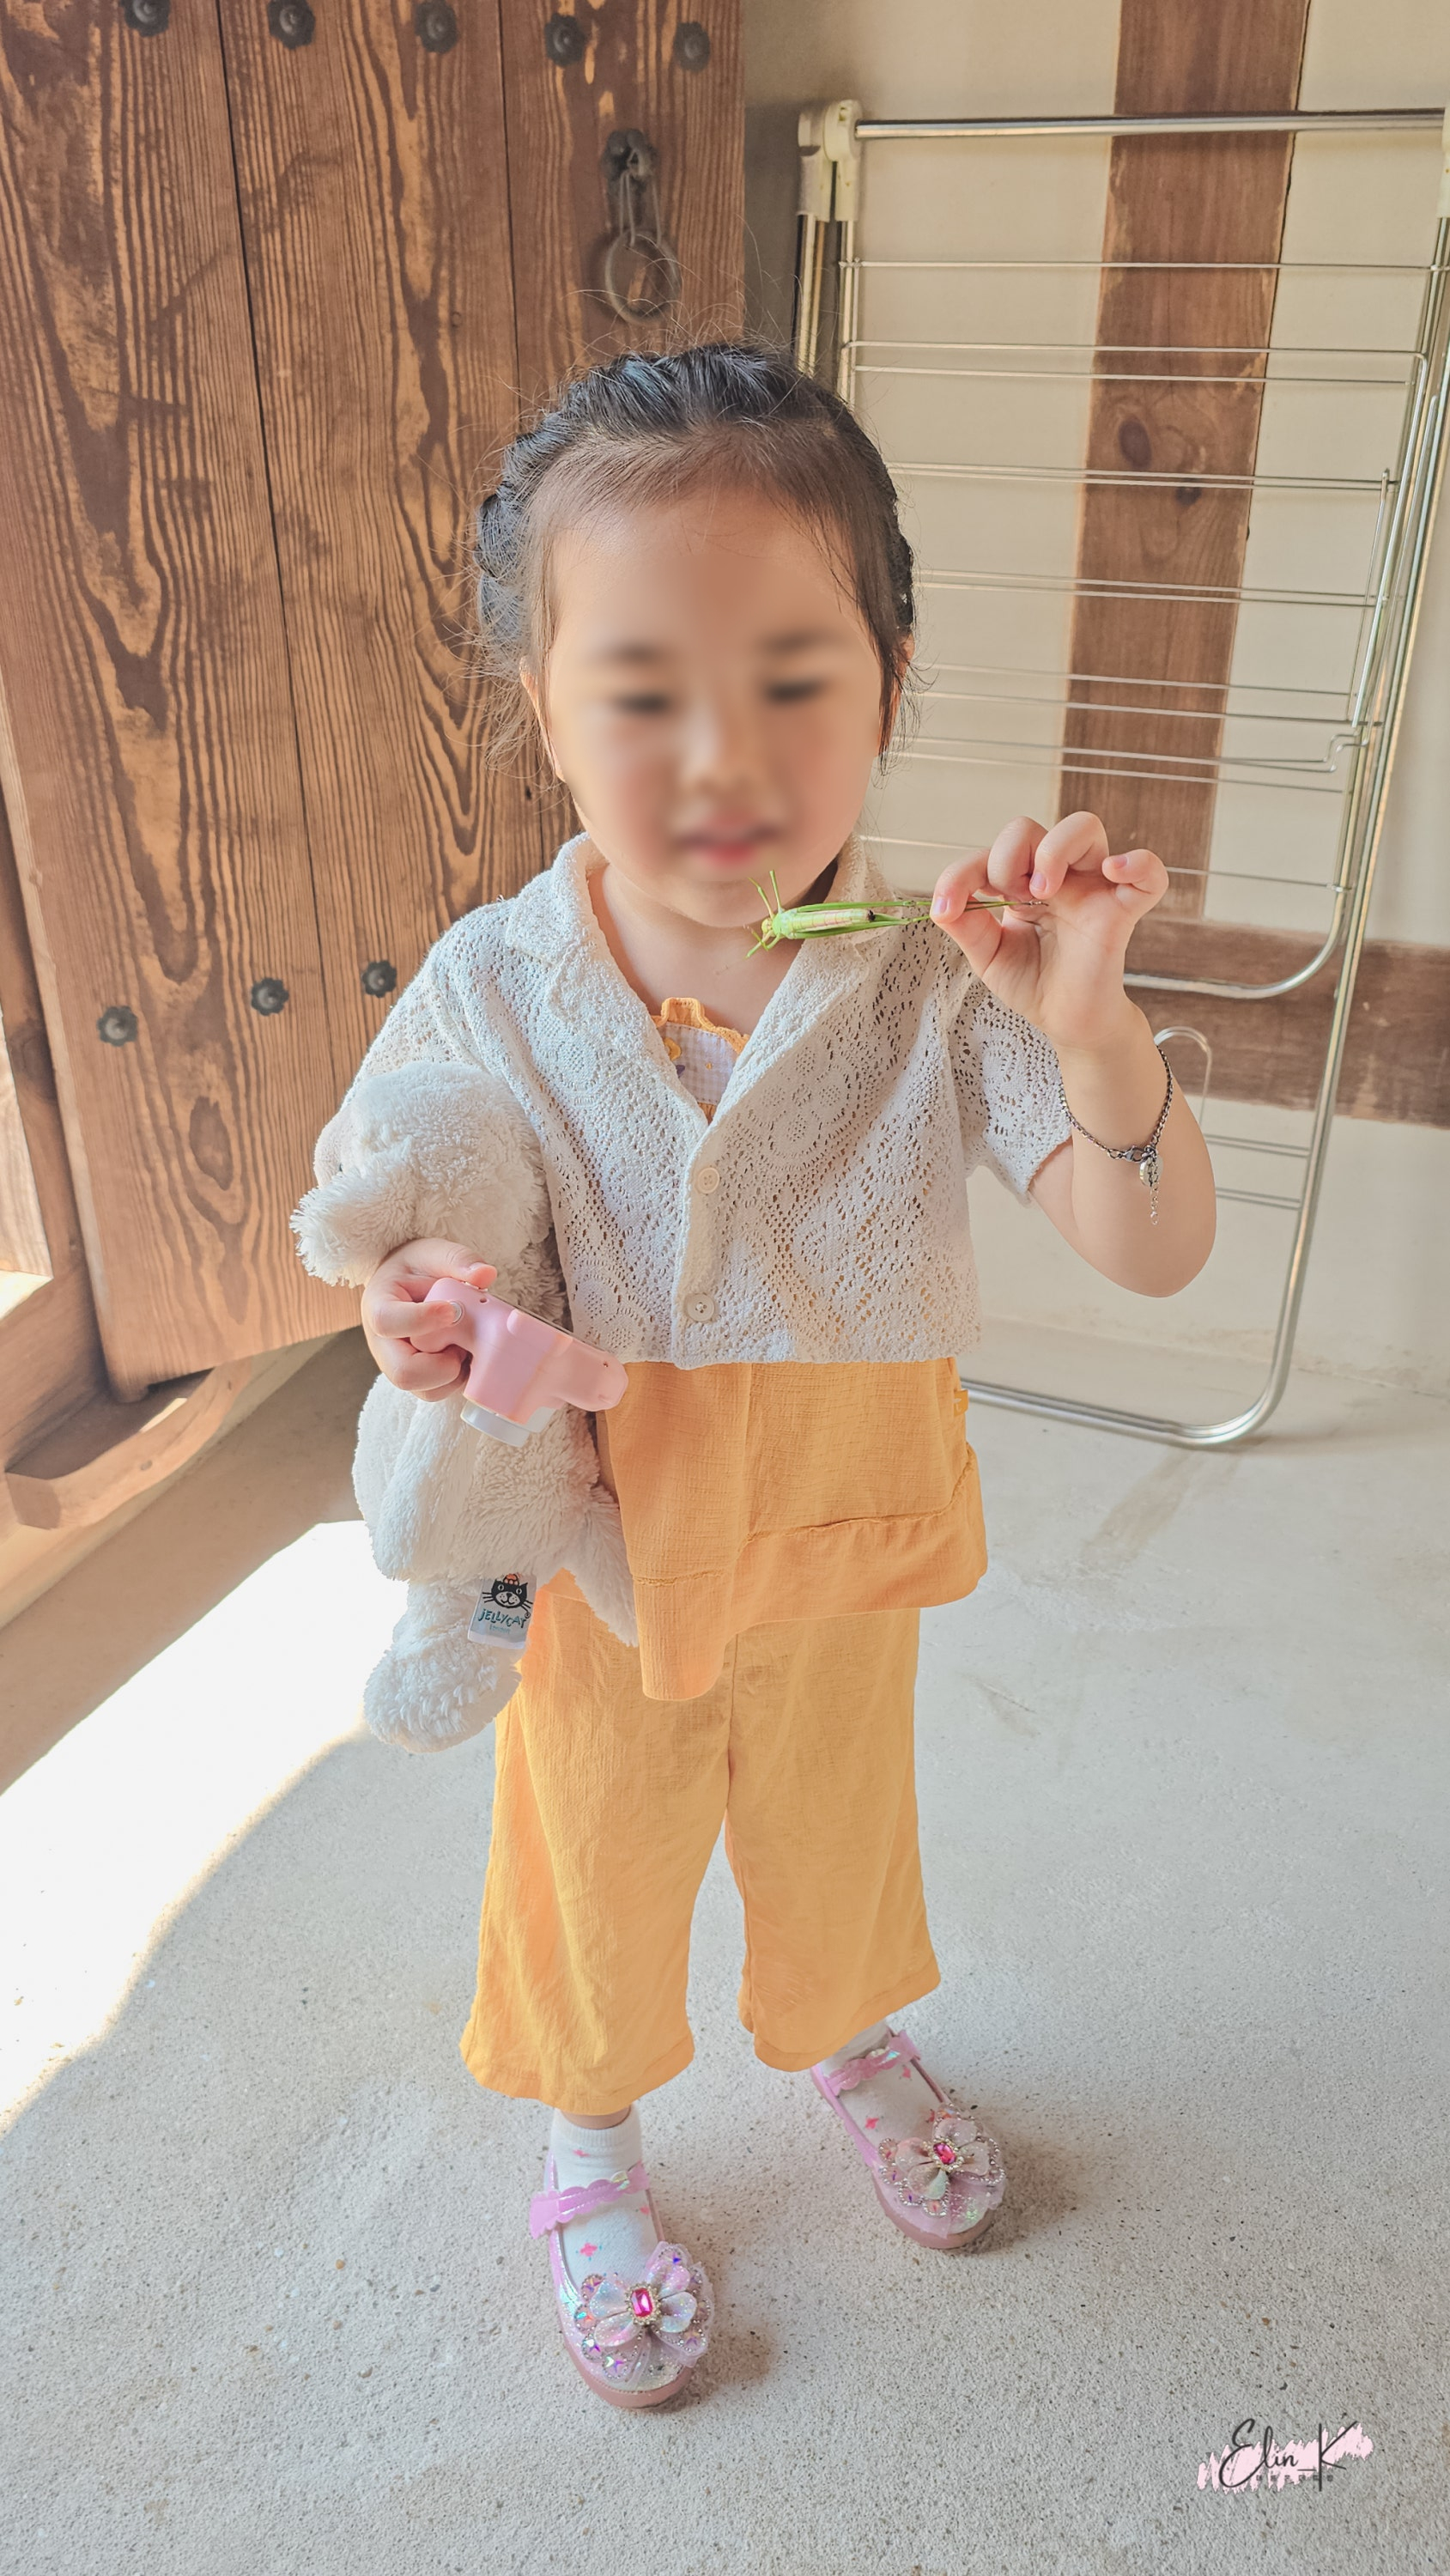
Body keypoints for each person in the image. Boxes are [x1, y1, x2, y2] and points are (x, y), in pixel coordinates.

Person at [343, 343, 1216, 2408]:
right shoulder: (490, 979)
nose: (719, 754)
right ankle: (587, 2143)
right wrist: (412, 1307)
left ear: (890, 686)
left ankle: (841, 2028)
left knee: (838, 1825)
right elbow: (391, 1216)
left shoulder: (933, 976)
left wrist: (1093, 1032)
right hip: (606, 1536)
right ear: (539, 704)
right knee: (595, 1850)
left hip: (842, 1516)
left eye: (794, 676)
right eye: (638, 691)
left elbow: (1148, 1244)